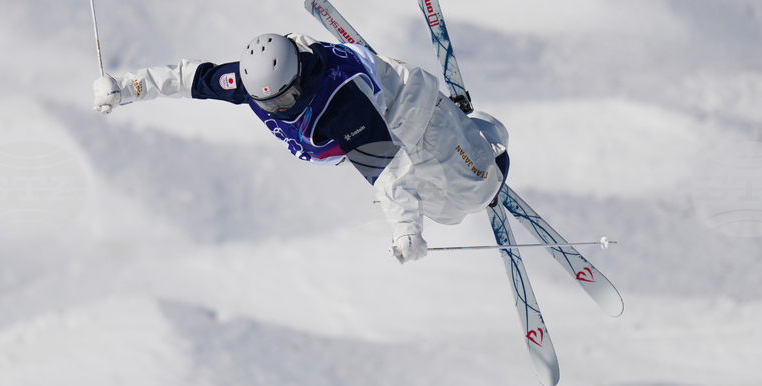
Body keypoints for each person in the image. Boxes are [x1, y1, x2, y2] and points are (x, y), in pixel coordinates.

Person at [93, 33, 510, 263]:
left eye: (280, 101)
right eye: (265, 102)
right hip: (380, 129)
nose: (274, 110)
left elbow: (387, 171)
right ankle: (462, 146)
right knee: (444, 212)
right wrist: (127, 88)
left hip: (417, 118)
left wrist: (405, 230)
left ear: (299, 79)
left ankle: (485, 144)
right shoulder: (257, 81)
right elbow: (190, 79)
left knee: (476, 196)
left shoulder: (341, 104)